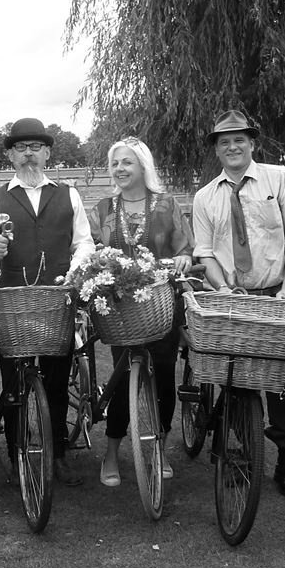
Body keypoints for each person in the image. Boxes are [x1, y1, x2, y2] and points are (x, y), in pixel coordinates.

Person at [192, 109, 285, 498]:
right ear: (216, 149)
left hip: (276, 293)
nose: (232, 147)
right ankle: (244, 452)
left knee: (284, 382)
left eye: (239, 139)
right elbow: (205, 251)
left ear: (252, 143)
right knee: (235, 380)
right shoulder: (205, 197)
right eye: (224, 141)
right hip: (232, 299)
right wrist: (219, 287)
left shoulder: (280, 179)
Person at [0, 117, 96, 486]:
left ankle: (56, 453)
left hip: (57, 299)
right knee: (13, 383)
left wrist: (75, 271)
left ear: (46, 153)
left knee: (57, 379)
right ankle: (17, 453)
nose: (29, 155)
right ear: (10, 154)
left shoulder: (68, 194)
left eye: (35, 148)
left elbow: (84, 242)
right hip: (13, 300)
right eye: (21, 148)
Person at [88, 136, 193, 487]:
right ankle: (112, 450)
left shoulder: (165, 204)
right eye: (115, 163)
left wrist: (183, 257)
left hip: (161, 305)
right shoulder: (103, 208)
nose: (120, 169)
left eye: (127, 162)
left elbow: (185, 245)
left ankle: (159, 447)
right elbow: (90, 250)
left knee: (164, 376)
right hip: (121, 308)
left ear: (142, 167)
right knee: (121, 378)